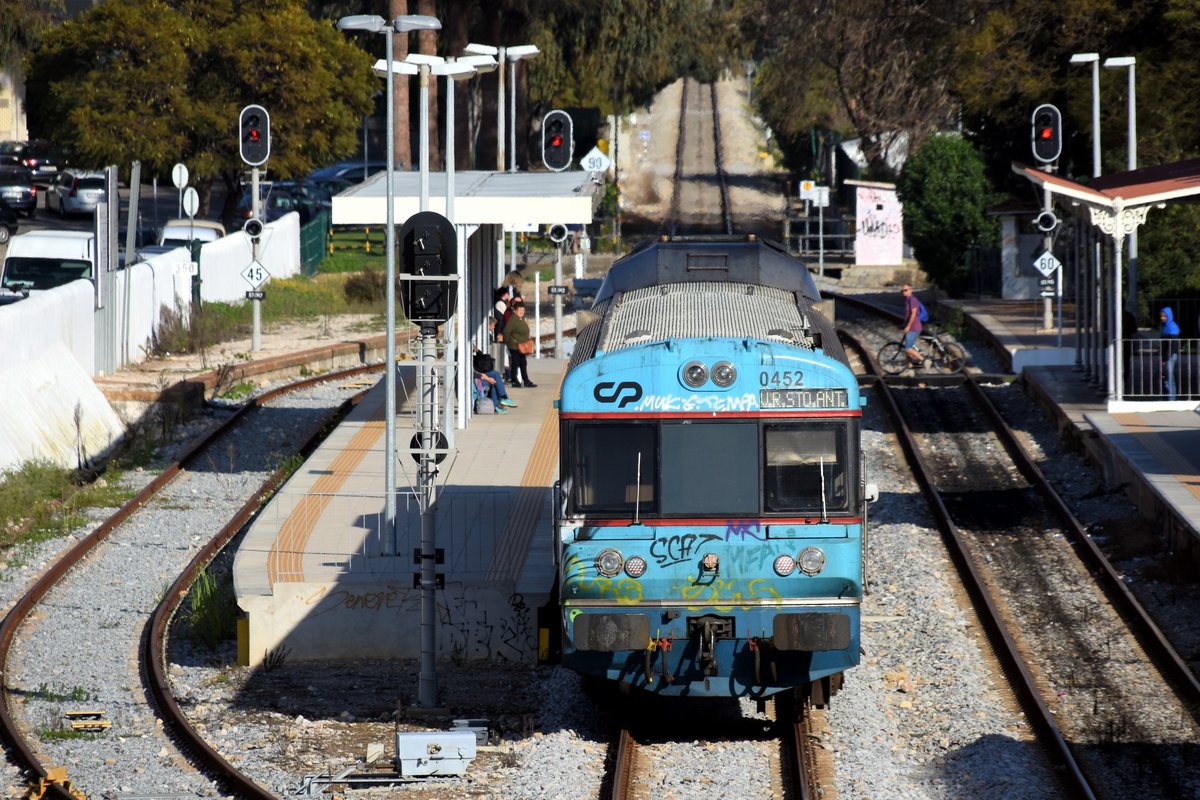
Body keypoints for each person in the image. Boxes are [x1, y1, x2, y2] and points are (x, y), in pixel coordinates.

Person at [502, 299, 538, 388]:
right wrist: (508, 341)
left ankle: (525, 380)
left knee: (523, 363)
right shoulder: (513, 319)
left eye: (523, 310)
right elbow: (506, 331)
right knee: (515, 363)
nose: (522, 312)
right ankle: (515, 380)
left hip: (521, 346)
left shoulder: (520, 319)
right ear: (515, 310)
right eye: (520, 310)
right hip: (515, 346)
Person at [473, 346, 517, 413]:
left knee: (494, 380)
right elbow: (472, 373)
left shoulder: (469, 354)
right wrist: (487, 378)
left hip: (479, 375)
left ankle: (497, 405)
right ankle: (503, 398)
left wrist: (477, 351)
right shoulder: (463, 355)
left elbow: (481, 357)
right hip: (475, 378)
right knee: (495, 374)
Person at [1160, 306, 1181, 400]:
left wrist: (1165, 358)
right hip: (1166, 356)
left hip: (1170, 356)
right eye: (1161, 316)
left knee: (1169, 378)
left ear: (1169, 316)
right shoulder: (1166, 327)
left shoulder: (1172, 327)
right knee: (1165, 377)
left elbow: (1172, 346)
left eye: (1165, 316)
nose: (1162, 318)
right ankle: (1166, 398)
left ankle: (1171, 400)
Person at [901, 284, 923, 368]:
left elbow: (913, 314)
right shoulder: (907, 300)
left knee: (907, 348)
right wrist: (904, 324)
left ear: (910, 290)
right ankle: (909, 366)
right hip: (911, 327)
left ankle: (923, 359)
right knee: (907, 347)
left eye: (906, 290)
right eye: (902, 290)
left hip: (914, 327)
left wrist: (908, 326)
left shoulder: (913, 300)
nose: (903, 292)